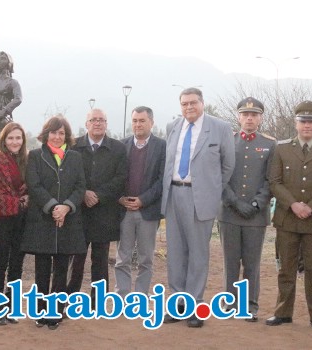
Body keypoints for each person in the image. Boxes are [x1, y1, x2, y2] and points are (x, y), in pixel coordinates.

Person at [161, 87, 235, 328]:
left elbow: (228, 166)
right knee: (175, 253)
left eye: (193, 103)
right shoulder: (173, 126)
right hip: (174, 194)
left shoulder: (220, 128)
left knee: (198, 253)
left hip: (200, 197)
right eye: (184, 104)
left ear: (203, 103)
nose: (189, 107)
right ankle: (177, 304)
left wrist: (211, 191)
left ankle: (194, 305)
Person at [266, 100, 312, 332]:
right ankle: (283, 312)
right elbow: (274, 181)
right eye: (302, 121)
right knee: (286, 269)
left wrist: (311, 206)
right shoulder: (281, 148)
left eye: (311, 121)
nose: (307, 125)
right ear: (296, 124)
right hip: (287, 219)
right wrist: (293, 204)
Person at [21, 115, 86, 330]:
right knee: (41, 269)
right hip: (43, 219)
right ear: (46, 134)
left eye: (61, 133)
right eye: (53, 132)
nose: (57, 137)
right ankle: (40, 311)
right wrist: (52, 207)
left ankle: (55, 312)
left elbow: (80, 187)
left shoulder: (75, 157)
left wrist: (66, 206)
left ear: (66, 136)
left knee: (61, 269)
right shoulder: (36, 156)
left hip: (68, 220)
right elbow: (34, 184)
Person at [218, 97, 276, 322]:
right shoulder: (228, 141)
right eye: (245, 114)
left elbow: (271, 179)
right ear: (238, 117)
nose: (249, 118)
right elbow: (220, 177)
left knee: (252, 263)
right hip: (229, 213)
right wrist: (234, 202)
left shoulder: (271, 144)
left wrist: (255, 204)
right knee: (230, 262)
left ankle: (250, 305)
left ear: (260, 118)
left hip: (256, 215)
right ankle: (229, 303)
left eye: (254, 115)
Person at [68, 108, 127, 304]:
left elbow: (121, 178)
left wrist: (99, 196)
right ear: (86, 124)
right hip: (78, 211)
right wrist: (83, 193)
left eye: (102, 120)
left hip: (104, 212)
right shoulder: (74, 146)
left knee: (100, 261)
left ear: (106, 124)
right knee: (76, 258)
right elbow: (68, 176)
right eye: (93, 120)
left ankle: (98, 303)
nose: (98, 123)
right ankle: (68, 300)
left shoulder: (118, 148)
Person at [114, 106, 165, 297]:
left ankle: (141, 297)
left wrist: (143, 200)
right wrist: (120, 198)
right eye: (134, 121)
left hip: (148, 211)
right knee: (122, 258)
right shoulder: (121, 145)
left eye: (142, 121)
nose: (138, 124)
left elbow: (162, 180)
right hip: (124, 210)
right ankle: (122, 295)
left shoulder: (162, 147)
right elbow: (115, 176)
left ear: (151, 122)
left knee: (146, 259)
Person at [0, 122, 28, 326]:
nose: (14, 142)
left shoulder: (26, 161)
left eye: (18, 138)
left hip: (21, 218)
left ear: (23, 140)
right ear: (4, 140)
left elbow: (30, 188)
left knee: (17, 264)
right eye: (10, 138)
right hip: (0, 217)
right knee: (0, 262)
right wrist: (16, 202)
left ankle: (12, 307)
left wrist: (25, 199)